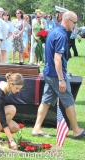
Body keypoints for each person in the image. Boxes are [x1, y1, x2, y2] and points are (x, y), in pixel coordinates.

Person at [32, 11, 85, 140]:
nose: (75, 25)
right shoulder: (61, 35)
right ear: (67, 20)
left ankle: (36, 128)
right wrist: (61, 79)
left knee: (46, 101)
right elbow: (57, 58)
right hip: (56, 75)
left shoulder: (54, 31)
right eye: (74, 22)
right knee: (69, 101)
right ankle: (77, 130)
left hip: (49, 73)